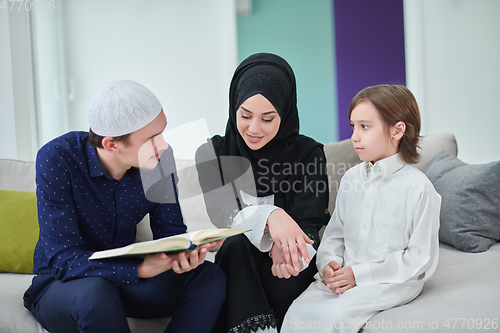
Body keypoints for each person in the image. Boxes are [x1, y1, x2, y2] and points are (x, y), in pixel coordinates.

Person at [23, 79, 226, 333]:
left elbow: (170, 234)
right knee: (96, 293)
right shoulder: (57, 158)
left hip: (130, 284)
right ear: (111, 145)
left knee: (208, 277)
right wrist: (139, 268)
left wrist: (187, 251)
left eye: (162, 133)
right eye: (152, 139)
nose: (163, 145)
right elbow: (63, 260)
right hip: (68, 285)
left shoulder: (160, 159)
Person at [281, 85, 441, 333]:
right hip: (345, 276)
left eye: (364, 127)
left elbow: (420, 260)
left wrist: (359, 275)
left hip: (391, 280)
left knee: (334, 318)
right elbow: (335, 234)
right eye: (353, 126)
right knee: (297, 311)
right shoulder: (350, 179)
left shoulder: (419, 188)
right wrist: (329, 263)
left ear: (397, 130)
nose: (354, 136)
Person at [195, 53, 330, 333]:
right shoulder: (212, 154)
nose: (253, 129)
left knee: (273, 273)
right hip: (237, 262)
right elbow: (225, 216)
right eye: (245, 115)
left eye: (268, 119)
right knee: (235, 245)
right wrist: (272, 216)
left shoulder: (308, 154)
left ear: (285, 112)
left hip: (289, 265)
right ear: (234, 108)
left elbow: (311, 222)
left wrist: (290, 250)